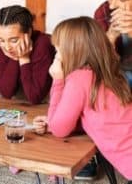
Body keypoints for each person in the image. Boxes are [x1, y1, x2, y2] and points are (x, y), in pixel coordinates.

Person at [32, 16, 132, 182]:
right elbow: (98, 116)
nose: (56, 57)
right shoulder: (107, 72)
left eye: (58, 51)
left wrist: (58, 81)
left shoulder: (79, 79)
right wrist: (53, 120)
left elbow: (59, 130)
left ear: (73, 51)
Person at [0, 5, 54, 104]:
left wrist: (24, 59)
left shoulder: (43, 44)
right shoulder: (3, 44)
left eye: (13, 40)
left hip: (43, 107)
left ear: (29, 32)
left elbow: (35, 97)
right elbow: (6, 93)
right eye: (1, 40)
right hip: (17, 106)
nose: (7, 47)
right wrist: (15, 58)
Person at [94, 0, 132, 87]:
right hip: (117, 75)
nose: (112, 5)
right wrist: (110, 37)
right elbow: (97, 62)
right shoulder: (103, 11)